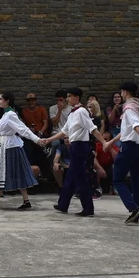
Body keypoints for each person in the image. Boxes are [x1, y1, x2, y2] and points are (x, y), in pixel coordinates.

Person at [0, 92, 42, 210]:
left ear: (7, 101)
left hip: (11, 148)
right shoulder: (6, 115)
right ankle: (17, 201)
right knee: (6, 172)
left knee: (8, 172)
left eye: (1, 99)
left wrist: (37, 140)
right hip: (6, 146)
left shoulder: (11, 115)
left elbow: (23, 129)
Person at [43, 87, 105, 216]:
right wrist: (49, 139)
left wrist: (104, 142)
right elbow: (64, 131)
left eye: (70, 96)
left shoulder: (81, 111)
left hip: (80, 146)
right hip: (74, 146)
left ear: (77, 98)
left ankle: (88, 208)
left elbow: (92, 129)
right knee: (70, 177)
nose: (67, 99)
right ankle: (63, 204)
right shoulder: (72, 113)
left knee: (80, 177)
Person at [104, 81, 139, 224]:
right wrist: (112, 142)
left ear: (125, 92)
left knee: (117, 179)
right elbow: (127, 129)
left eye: (122, 92)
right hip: (138, 147)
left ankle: (133, 208)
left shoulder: (129, 108)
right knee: (136, 180)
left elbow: (136, 125)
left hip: (129, 146)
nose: (121, 94)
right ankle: (138, 211)